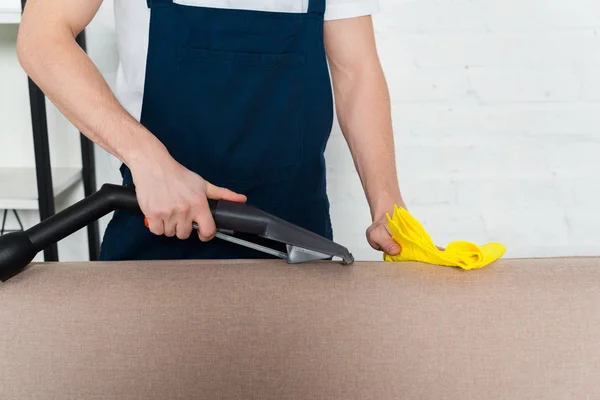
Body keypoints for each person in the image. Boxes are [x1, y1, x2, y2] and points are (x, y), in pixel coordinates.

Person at [17, 0, 406, 261]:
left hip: (297, 240)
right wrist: (149, 161)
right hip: (155, 225)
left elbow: (356, 71)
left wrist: (388, 203)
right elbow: (42, 38)